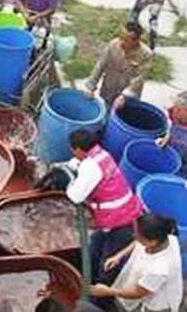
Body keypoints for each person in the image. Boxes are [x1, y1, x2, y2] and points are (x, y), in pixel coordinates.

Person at [62, 130, 143, 310]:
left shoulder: (90, 168)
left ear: (78, 149)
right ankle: (86, 283)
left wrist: (69, 184)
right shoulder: (101, 153)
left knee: (107, 265)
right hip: (116, 216)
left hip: (122, 223)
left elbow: (75, 196)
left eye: (72, 149)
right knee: (92, 250)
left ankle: (100, 303)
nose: (71, 152)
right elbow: (81, 165)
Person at [90, 213, 183, 312]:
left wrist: (108, 291)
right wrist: (119, 256)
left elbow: (137, 293)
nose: (134, 235)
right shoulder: (167, 238)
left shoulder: (158, 269)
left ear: (152, 242)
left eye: (137, 235)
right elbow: (138, 242)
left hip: (155, 304)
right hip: (143, 282)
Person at [84, 22, 154, 109]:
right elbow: (100, 65)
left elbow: (139, 78)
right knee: (107, 109)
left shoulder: (146, 54)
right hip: (110, 87)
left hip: (129, 93)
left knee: (125, 114)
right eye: (121, 37)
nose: (121, 42)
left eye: (125, 40)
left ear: (136, 40)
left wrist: (124, 95)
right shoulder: (113, 45)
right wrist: (91, 86)